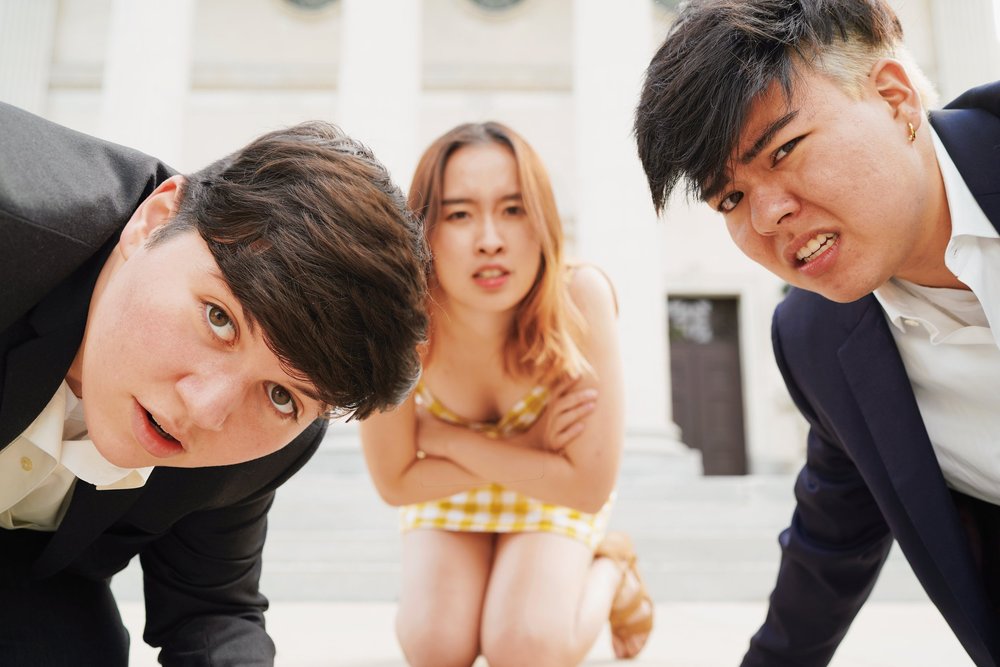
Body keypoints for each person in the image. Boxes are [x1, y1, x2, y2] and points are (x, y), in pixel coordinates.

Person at [634, 0, 1000, 664]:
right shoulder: (817, 338)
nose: (769, 214)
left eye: (784, 149)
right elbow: (828, 550)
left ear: (893, 97)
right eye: (731, 199)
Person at [0, 101, 428, 666]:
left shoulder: (274, 437)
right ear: (154, 220)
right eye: (219, 318)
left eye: (282, 395)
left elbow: (209, 610)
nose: (206, 410)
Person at [360, 122, 654, 666]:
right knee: (433, 645)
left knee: (524, 646)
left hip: (553, 494)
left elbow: (587, 486)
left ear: (541, 220)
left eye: (513, 209)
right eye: (459, 214)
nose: (490, 239)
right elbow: (395, 483)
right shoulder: (399, 321)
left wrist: (443, 437)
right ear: (424, 228)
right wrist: (534, 444)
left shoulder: (579, 298)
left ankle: (609, 570)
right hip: (480, 487)